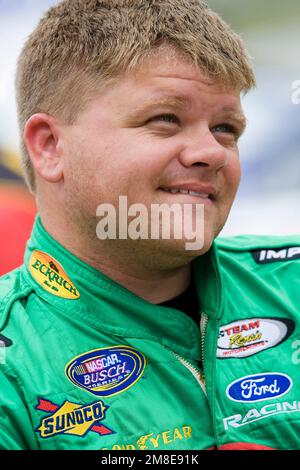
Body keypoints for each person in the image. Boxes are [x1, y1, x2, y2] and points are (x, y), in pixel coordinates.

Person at [0, 0, 299, 451]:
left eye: (226, 128)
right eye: (165, 119)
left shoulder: (291, 281)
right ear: (50, 147)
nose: (212, 152)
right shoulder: (13, 365)